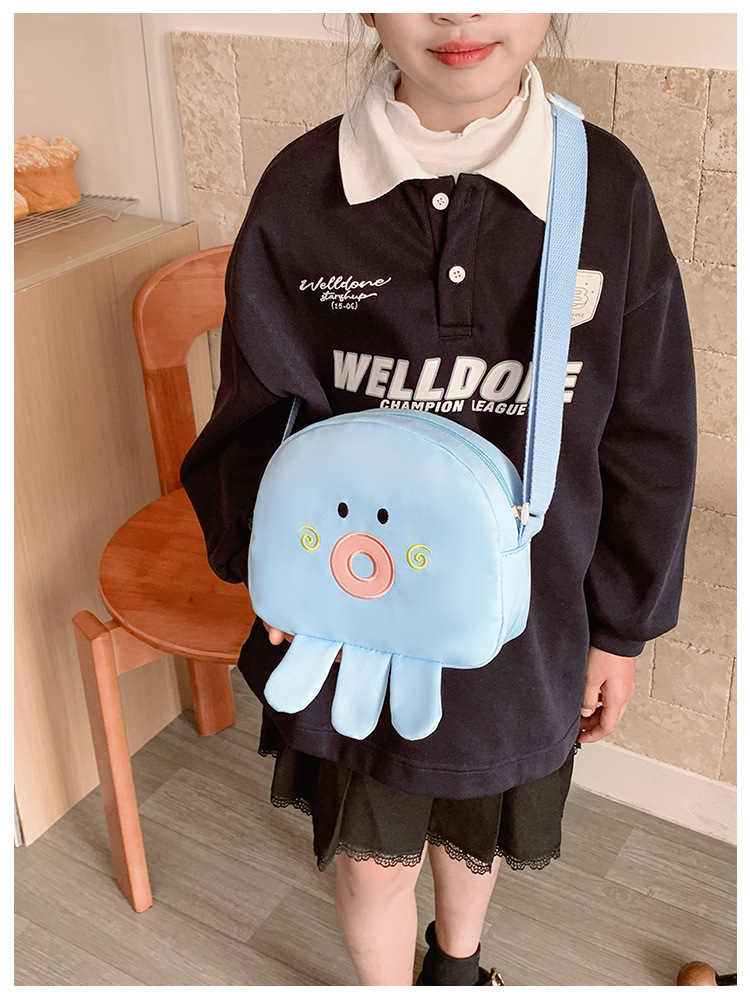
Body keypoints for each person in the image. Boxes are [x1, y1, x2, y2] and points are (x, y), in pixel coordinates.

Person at [181, 13, 697, 987]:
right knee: (376, 861)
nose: (459, 12)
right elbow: (255, 411)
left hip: (528, 627)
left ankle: (458, 968)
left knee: (475, 828)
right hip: (353, 627)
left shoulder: (609, 190)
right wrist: (266, 562)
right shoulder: (303, 191)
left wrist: (622, 628)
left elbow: (649, 430)